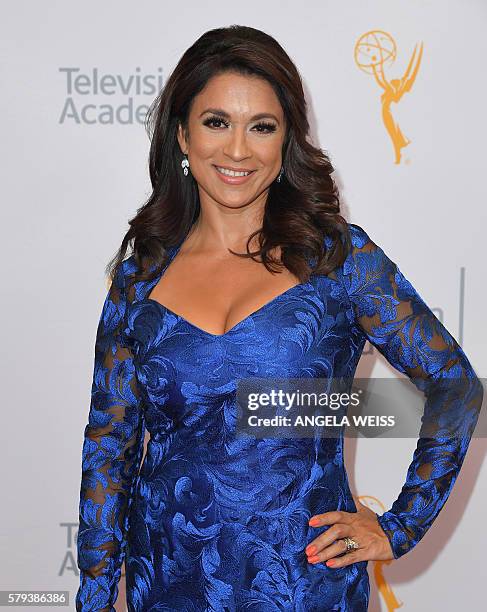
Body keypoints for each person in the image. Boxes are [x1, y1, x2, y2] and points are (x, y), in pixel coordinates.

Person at [75, 25, 483, 611]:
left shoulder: (338, 260)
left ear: (286, 140)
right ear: (182, 136)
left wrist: (399, 527)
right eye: (217, 122)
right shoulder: (141, 280)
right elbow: (108, 448)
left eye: (261, 127)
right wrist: (92, 598)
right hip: (167, 586)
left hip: (304, 586)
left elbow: (457, 387)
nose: (238, 150)